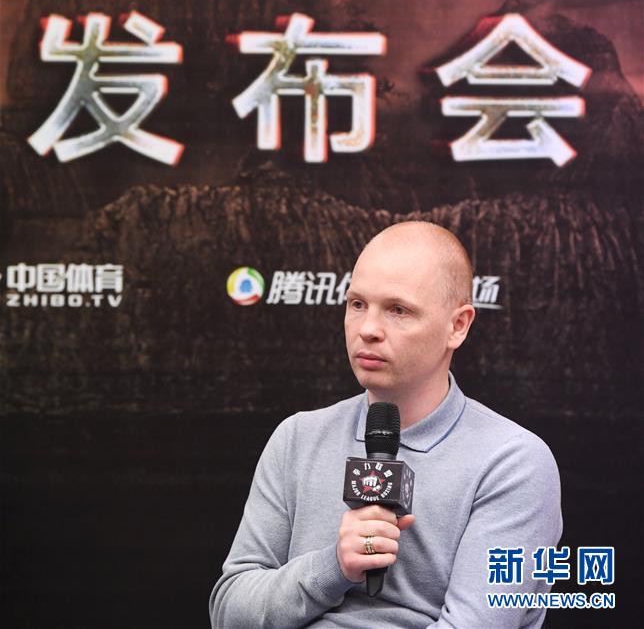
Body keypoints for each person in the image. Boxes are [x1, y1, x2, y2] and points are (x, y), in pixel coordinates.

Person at [210, 222, 562, 628]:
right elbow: (229, 614)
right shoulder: (298, 438)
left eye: (398, 310)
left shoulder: (513, 462)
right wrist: (333, 566)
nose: (368, 330)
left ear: (458, 325)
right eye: (357, 304)